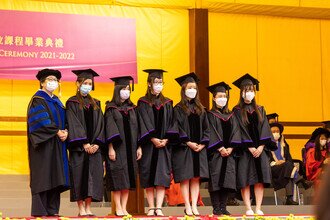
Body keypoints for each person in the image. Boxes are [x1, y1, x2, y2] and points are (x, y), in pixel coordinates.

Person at [27, 68, 69, 217]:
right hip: (43, 146)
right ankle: (40, 211)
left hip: (57, 145)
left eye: (55, 80)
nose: (53, 82)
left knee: (56, 176)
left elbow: (66, 119)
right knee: (43, 176)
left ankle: (53, 210)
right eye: (50, 79)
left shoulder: (57, 101)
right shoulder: (38, 99)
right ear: (42, 82)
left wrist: (66, 131)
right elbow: (41, 120)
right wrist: (57, 131)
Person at [232, 73, 276, 216]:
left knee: (259, 179)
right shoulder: (237, 111)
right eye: (246, 90)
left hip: (260, 150)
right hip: (245, 150)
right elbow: (237, 130)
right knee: (245, 179)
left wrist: (261, 147)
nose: (248, 93)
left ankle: (258, 207)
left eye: (251, 90)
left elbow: (265, 129)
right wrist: (250, 147)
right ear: (241, 92)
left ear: (254, 92)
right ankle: (248, 207)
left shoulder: (261, 109)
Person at [136, 69, 178, 216]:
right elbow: (141, 122)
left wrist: (166, 139)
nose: (158, 85)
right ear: (149, 84)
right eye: (156, 82)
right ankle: (151, 207)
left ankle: (159, 207)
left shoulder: (168, 102)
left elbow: (173, 123)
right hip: (149, 145)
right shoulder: (142, 102)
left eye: (161, 82)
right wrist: (152, 138)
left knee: (161, 175)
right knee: (148, 175)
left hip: (163, 146)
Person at [66, 69, 105, 216]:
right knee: (79, 177)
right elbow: (73, 123)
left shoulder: (96, 103)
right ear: (77, 83)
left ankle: (88, 208)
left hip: (94, 149)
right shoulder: (72, 102)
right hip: (79, 149)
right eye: (85, 83)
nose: (87, 86)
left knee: (93, 177)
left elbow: (101, 125)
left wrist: (96, 144)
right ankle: (81, 209)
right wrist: (84, 144)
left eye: (90, 83)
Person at [172, 73, 210, 216]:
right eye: (190, 87)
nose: (192, 90)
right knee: (186, 177)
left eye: (194, 87)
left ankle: (194, 205)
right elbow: (177, 128)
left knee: (196, 178)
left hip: (199, 148)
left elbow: (207, 129)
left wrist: (202, 143)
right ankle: (187, 205)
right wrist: (188, 142)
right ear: (183, 89)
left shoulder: (201, 109)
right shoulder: (178, 108)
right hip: (184, 148)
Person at [104, 76, 141, 216]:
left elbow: (138, 129)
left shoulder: (133, 109)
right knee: (117, 177)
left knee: (128, 178)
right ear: (117, 90)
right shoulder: (110, 108)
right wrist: (110, 148)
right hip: (118, 149)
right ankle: (118, 207)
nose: (126, 92)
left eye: (128, 89)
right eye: (123, 89)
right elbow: (108, 128)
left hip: (131, 149)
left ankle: (124, 207)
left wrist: (139, 147)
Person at [206, 82, 241, 215]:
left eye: (224, 96)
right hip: (216, 153)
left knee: (227, 179)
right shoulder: (210, 115)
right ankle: (216, 207)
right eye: (219, 96)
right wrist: (220, 148)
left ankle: (223, 207)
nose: (222, 98)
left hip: (229, 153)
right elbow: (210, 132)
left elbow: (236, 132)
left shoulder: (232, 115)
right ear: (214, 98)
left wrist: (231, 148)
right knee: (216, 180)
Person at [269, 122, 312, 205]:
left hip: (285, 170)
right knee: (288, 167)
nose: (276, 133)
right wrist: (276, 163)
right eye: (273, 132)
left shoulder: (284, 145)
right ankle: (302, 181)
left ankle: (289, 198)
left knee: (288, 170)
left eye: (277, 131)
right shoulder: (266, 146)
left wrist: (284, 163)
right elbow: (265, 161)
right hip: (273, 169)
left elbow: (289, 159)